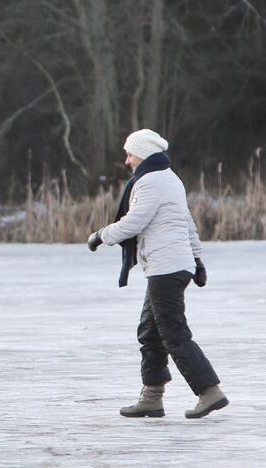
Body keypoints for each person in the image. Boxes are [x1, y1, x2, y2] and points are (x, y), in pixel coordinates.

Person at [87, 129, 228, 419]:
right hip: (173, 264)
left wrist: (102, 235)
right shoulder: (169, 178)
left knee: (173, 333)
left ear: (144, 153)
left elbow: (135, 221)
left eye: (130, 154)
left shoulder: (151, 181)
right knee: (150, 333)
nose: (127, 161)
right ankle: (152, 397)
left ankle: (209, 391)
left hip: (167, 267)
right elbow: (186, 223)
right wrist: (197, 260)